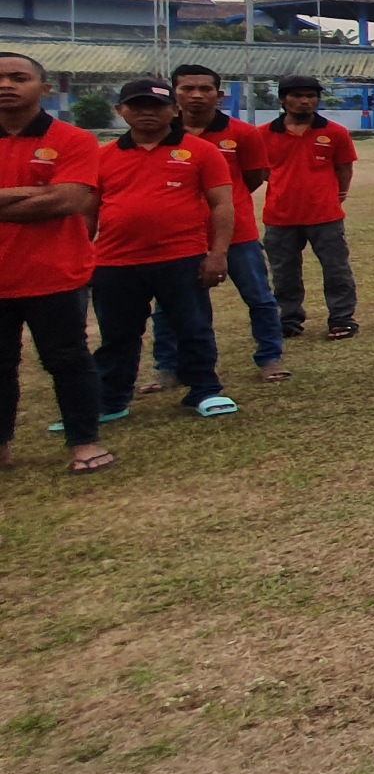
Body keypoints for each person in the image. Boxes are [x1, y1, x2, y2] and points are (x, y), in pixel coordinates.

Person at [92, 78, 239, 420]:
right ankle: (112, 399)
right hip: (115, 261)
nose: (147, 112)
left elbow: (221, 205)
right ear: (120, 111)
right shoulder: (102, 157)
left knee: (193, 327)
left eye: (156, 106)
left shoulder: (201, 152)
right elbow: (88, 211)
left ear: (173, 110)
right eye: (137, 105)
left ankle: (204, 390)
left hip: (180, 257)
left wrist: (217, 253)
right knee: (117, 334)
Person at [0, 52, 111, 474]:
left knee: (67, 360)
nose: (6, 85)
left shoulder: (73, 139)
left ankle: (84, 443)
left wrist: (46, 198)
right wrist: (33, 194)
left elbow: (69, 199)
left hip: (55, 272)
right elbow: (50, 197)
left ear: (43, 89)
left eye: (18, 77)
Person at [143, 64, 286, 391]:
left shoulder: (242, 134)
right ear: (174, 93)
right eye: (187, 88)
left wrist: (225, 205)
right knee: (168, 306)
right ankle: (167, 366)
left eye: (205, 89)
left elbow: (251, 178)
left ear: (218, 95)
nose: (196, 96)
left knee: (259, 298)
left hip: (237, 234)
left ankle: (269, 357)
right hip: (180, 237)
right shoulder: (162, 135)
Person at [260, 75, 359, 341]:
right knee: (284, 272)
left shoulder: (335, 132)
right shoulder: (263, 134)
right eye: (297, 96)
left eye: (311, 96)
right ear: (283, 99)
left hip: (324, 215)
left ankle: (341, 318)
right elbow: (260, 171)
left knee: (336, 269)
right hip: (280, 216)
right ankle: (288, 319)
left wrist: (337, 195)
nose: (305, 101)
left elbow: (344, 168)